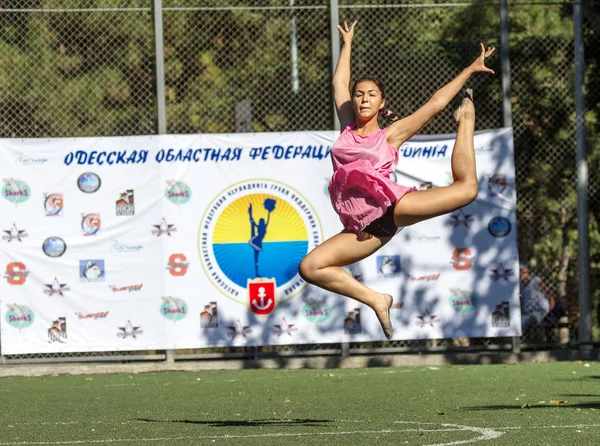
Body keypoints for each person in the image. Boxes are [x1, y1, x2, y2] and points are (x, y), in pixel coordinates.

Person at [298, 21, 495, 339]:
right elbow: (339, 82)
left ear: (381, 103)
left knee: (468, 188)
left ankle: (467, 119)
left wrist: (470, 70)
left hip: (392, 208)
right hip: (363, 230)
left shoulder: (390, 134)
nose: (363, 99)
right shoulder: (347, 127)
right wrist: (347, 43)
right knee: (310, 268)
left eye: (371, 95)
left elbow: (435, 104)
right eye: (359, 95)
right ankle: (377, 300)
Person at [519, 264, 563, 331]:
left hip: (540, 311)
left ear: (527, 272)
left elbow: (549, 293)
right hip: (528, 312)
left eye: (523, 271)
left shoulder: (536, 280)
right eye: (519, 272)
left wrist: (550, 310)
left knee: (521, 321)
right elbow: (521, 302)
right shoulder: (521, 287)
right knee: (518, 319)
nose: (521, 274)